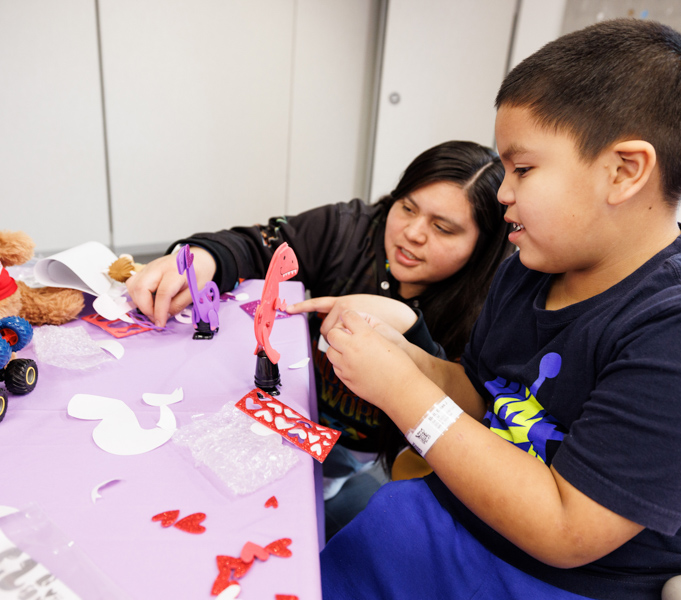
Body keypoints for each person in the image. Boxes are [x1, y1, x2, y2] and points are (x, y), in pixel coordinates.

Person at [317, 19, 681, 600]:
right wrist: (403, 358)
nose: (503, 192)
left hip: (568, 579)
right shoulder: (530, 265)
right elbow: (486, 396)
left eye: (523, 169)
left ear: (624, 170)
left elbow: (567, 529)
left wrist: (403, 393)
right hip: (458, 515)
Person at [125, 140, 514, 538]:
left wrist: (410, 330)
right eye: (407, 208)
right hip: (290, 405)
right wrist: (207, 258)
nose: (412, 233)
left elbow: (465, 420)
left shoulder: (494, 306)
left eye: (443, 227)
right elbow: (259, 244)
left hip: (365, 445)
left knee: (302, 502)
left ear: (484, 245)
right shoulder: (348, 229)